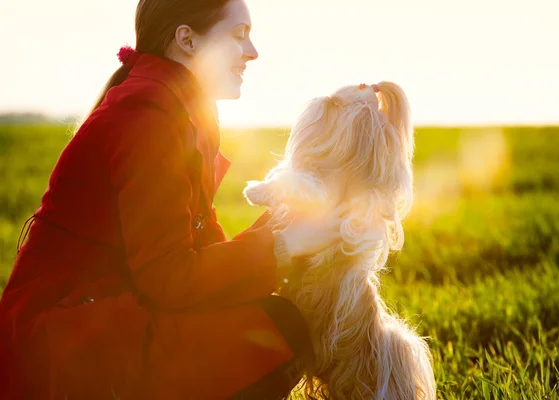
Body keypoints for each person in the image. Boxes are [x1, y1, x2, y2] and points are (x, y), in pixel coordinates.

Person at [0, 0, 341, 399]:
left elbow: (201, 251)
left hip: (102, 315)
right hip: (63, 341)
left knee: (266, 319)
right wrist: (281, 246)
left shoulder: (181, 109)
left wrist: (281, 221)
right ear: (187, 40)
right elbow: (170, 278)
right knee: (277, 329)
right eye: (238, 35)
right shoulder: (148, 118)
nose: (252, 52)